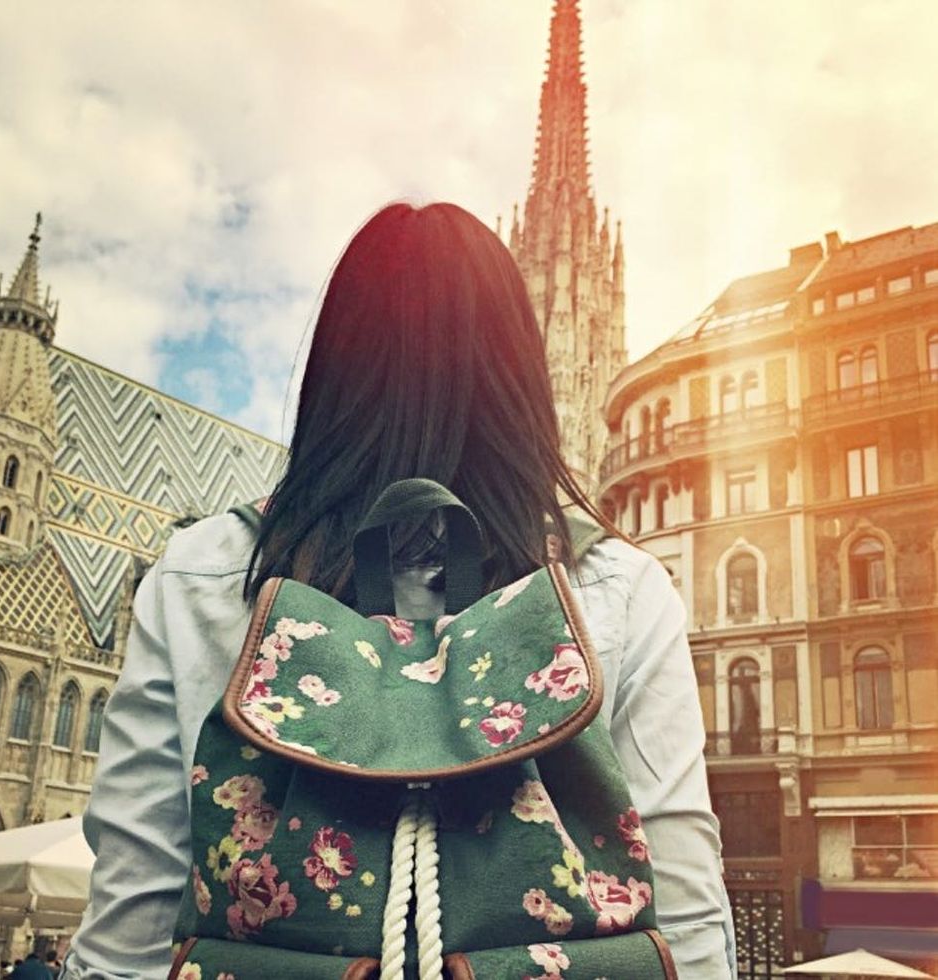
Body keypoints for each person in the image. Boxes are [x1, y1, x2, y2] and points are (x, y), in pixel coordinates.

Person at [62, 202, 736, 978]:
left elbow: (127, 939)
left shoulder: (202, 573)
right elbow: (684, 926)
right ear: (527, 376)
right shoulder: (616, 587)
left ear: (330, 371)